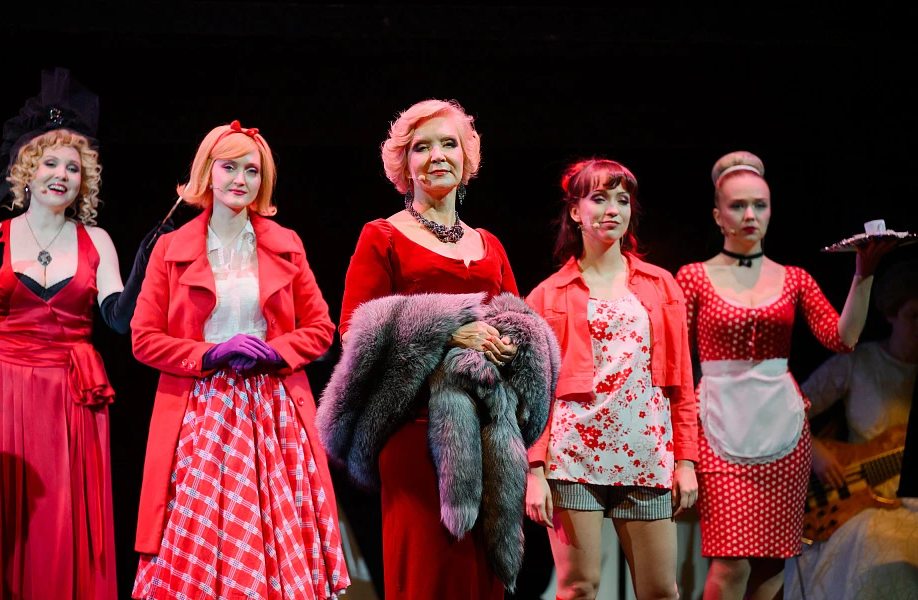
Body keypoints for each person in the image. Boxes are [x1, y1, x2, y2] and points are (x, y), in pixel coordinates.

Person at [0, 68, 167, 599]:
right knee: (6, 532)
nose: (61, 174)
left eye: (73, 167)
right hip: (3, 394)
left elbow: (119, 322)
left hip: (70, 401)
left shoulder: (96, 241)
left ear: (84, 180)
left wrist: (144, 266)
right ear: (26, 169)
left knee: (62, 533)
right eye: (50, 163)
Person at [317, 99, 554, 599]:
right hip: (415, 430)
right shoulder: (382, 236)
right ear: (405, 165)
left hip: (488, 433)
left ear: (467, 158)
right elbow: (354, 332)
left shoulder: (489, 244)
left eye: (449, 144)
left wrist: (509, 344)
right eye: (421, 147)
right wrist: (449, 330)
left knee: (481, 578)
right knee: (428, 571)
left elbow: (518, 320)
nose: (437, 156)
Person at [129, 120, 348, 599]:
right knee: (202, 538)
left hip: (271, 412)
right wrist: (211, 352)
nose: (240, 180)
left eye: (252, 170)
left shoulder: (286, 243)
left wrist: (276, 351)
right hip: (200, 413)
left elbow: (321, 329)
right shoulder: (170, 248)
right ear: (207, 172)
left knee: (273, 539)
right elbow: (143, 339)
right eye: (229, 167)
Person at [674, 150, 895, 599]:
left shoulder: (794, 278)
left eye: (760, 205)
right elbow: (675, 360)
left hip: (783, 431)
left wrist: (864, 273)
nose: (750, 215)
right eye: (738, 206)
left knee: (773, 564)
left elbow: (842, 338)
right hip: (719, 427)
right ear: (718, 216)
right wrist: (680, 449)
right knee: (730, 564)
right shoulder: (693, 277)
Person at [523, 158, 699, 600]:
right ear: (575, 212)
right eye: (599, 198)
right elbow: (532, 394)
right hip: (572, 459)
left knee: (661, 591)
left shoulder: (662, 286)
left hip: (646, 453)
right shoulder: (547, 294)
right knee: (579, 588)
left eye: (622, 200)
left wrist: (686, 462)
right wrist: (534, 470)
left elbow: (681, 382)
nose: (612, 210)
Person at [784, 256, 917, 599]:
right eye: (913, 316)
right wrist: (815, 450)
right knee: (878, 549)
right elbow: (787, 412)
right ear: (891, 314)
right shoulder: (858, 363)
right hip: (854, 501)